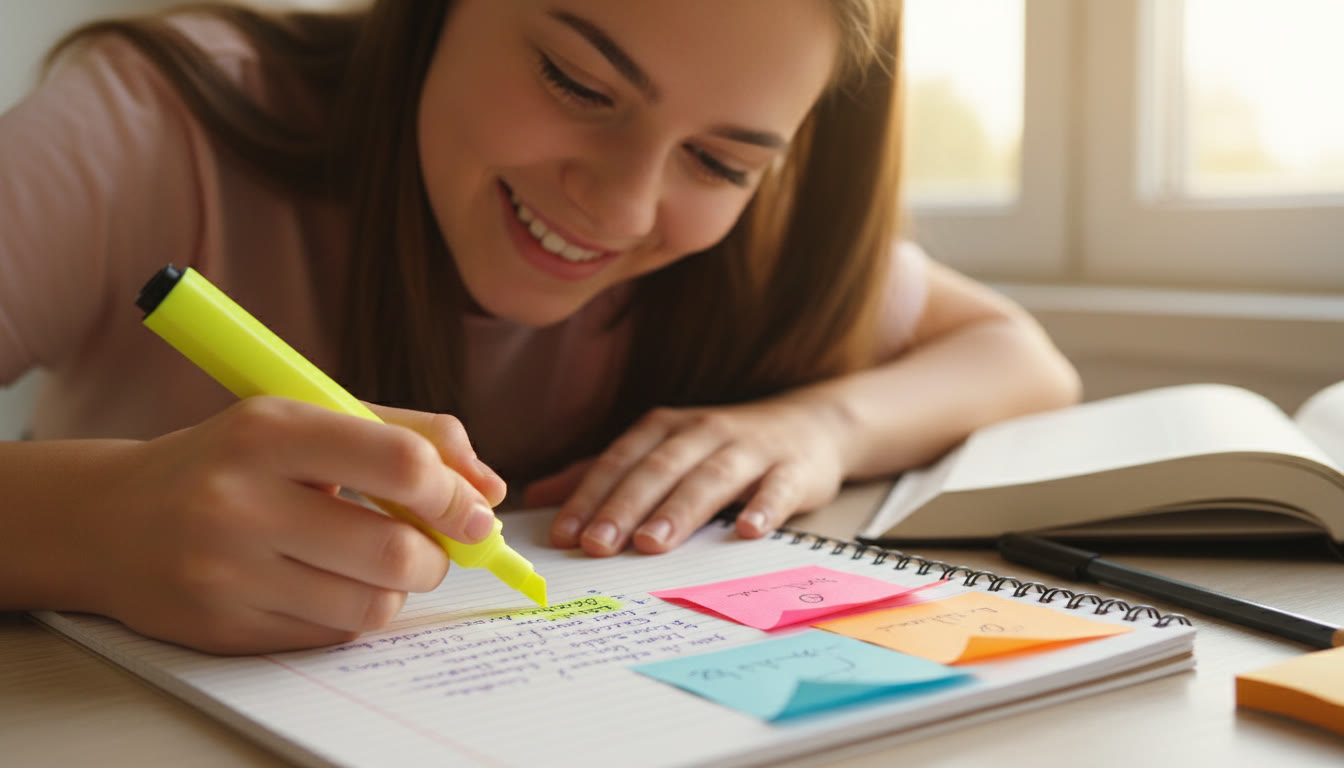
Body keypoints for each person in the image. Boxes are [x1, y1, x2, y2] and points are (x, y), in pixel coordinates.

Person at [0, 0, 1080, 654]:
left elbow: (1021, 357)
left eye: (721, 162)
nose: (617, 210)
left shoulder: (758, 247)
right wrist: (85, 528)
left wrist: (823, 427)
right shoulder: (149, 128)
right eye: (577, 82)